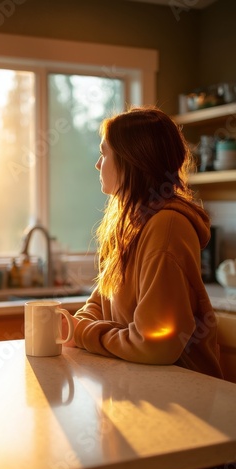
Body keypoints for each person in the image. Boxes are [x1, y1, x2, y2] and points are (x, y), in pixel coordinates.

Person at [64, 105, 223, 379]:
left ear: (131, 160)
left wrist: (81, 333)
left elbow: (156, 344)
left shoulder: (167, 228)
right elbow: (100, 302)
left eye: (104, 153)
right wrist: (79, 327)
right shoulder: (129, 225)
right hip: (140, 383)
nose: (97, 164)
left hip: (185, 394)